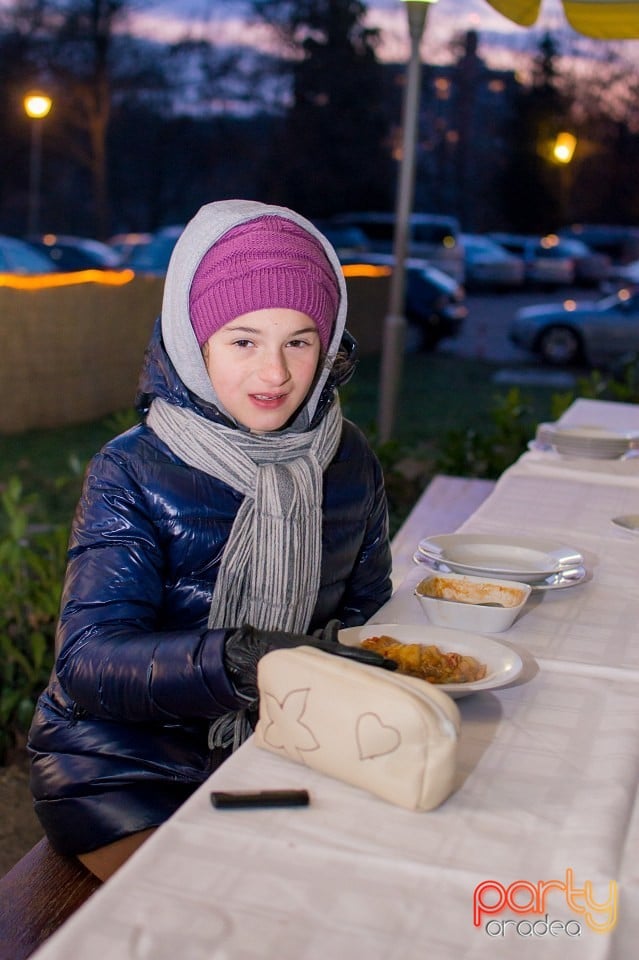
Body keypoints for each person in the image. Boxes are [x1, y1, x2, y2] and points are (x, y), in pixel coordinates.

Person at [28, 199, 395, 881]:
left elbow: (364, 612)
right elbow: (88, 661)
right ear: (193, 343)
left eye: (299, 340)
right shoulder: (131, 469)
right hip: (123, 767)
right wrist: (241, 660)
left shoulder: (348, 461)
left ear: (331, 343)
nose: (275, 373)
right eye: (243, 340)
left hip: (288, 747)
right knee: (210, 909)